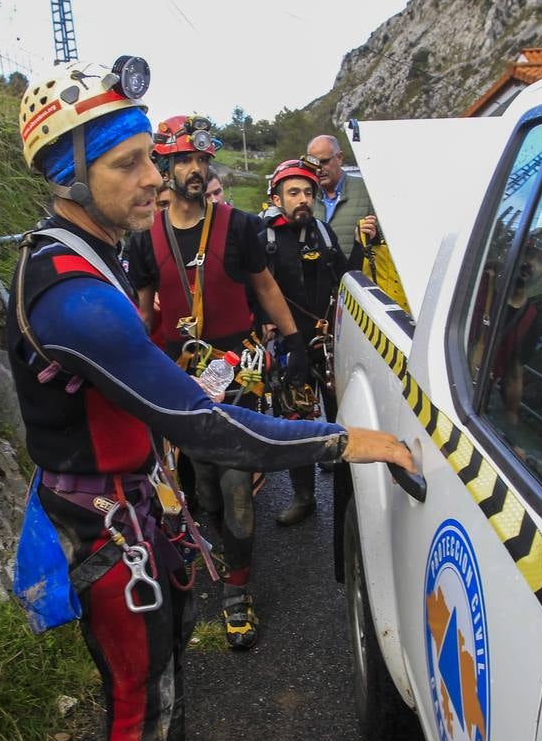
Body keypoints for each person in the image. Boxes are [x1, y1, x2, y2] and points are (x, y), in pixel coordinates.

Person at [8, 58, 413, 741]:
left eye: (150, 160)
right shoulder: (73, 294)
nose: (153, 181)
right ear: (68, 177)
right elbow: (209, 425)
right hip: (104, 518)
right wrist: (344, 438)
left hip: (129, 494)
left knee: (163, 649)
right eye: (127, 165)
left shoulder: (89, 248)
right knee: (135, 688)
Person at [126, 114, 309, 651]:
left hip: (235, 370)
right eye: (184, 159)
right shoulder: (144, 240)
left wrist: (295, 344)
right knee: (201, 485)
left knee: (236, 484)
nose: (196, 169)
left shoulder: (242, 226)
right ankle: (213, 546)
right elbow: (140, 317)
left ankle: (236, 592)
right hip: (177, 377)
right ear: (164, 166)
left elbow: (265, 286)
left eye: (202, 160)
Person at [257, 157, 363, 525]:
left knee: (341, 410)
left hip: (328, 341)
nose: (302, 198)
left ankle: (348, 482)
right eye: (293, 192)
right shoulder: (264, 236)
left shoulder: (323, 230)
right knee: (293, 419)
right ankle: (304, 497)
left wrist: (364, 245)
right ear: (277, 197)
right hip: (289, 346)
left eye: (307, 192)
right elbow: (252, 290)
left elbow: (347, 276)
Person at [307, 134, 410, 311]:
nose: (318, 169)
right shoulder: (306, 198)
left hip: (361, 296)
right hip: (319, 297)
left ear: (339, 158)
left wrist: (374, 233)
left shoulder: (368, 190)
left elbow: (391, 239)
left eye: (323, 162)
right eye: (313, 164)